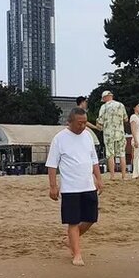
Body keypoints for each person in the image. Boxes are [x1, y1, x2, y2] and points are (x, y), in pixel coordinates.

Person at [47, 107, 103, 265]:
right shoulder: (59, 138)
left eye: (85, 123)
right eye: (79, 123)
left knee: (91, 218)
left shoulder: (88, 136)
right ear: (69, 122)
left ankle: (71, 240)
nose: (83, 126)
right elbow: (52, 164)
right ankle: (77, 254)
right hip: (70, 188)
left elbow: (94, 160)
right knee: (73, 221)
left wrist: (99, 179)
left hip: (88, 185)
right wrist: (53, 186)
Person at [97, 91, 127, 180]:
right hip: (120, 132)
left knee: (110, 154)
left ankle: (112, 176)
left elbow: (100, 122)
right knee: (122, 154)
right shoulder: (121, 105)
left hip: (108, 133)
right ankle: (124, 176)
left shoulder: (104, 107)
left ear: (105, 97)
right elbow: (125, 119)